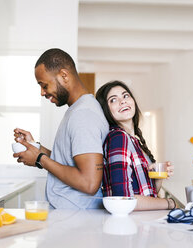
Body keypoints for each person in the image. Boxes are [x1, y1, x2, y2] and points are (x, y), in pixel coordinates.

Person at [13, 48, 109, 209]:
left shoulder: (83, 115)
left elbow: (89, 183)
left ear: (64, 75)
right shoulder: (77, 109)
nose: (42, 93)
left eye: (44, 85)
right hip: (72, 215)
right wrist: (36, 149)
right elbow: (69, 162)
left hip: (76, 219)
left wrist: (39, 159)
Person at [95, 80, 176, 210]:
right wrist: (170, 203)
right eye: (113, 100)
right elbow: (123, 200)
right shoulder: (118, 137)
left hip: (142, 223)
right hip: (131, 226)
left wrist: (158, 176)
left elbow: (149, 194)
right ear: (106, 109)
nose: (123, 101)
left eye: (125, 95)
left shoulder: (134, 141)